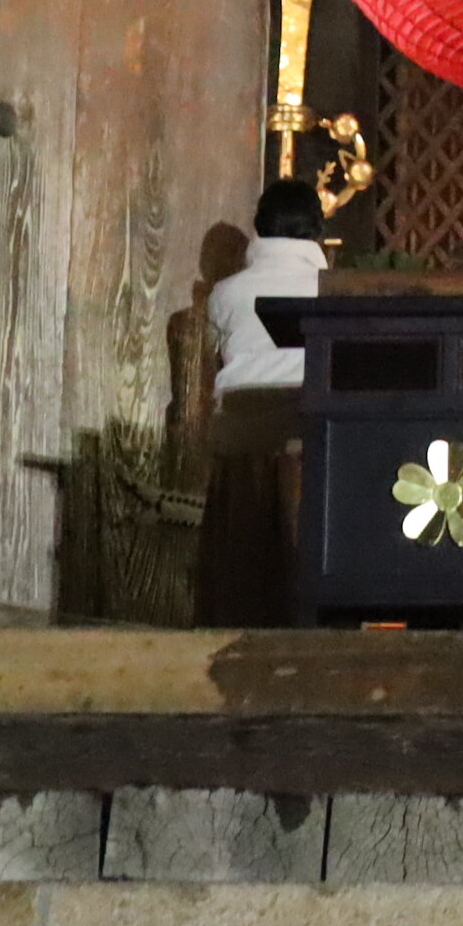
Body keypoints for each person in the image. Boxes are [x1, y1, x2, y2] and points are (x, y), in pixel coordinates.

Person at [196, 180, 327, 624]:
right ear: (317, 230)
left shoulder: (225, 293)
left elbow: (210, 362)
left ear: (259, 227)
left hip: (239, 430)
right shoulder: (332, 289)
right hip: (309, 432)